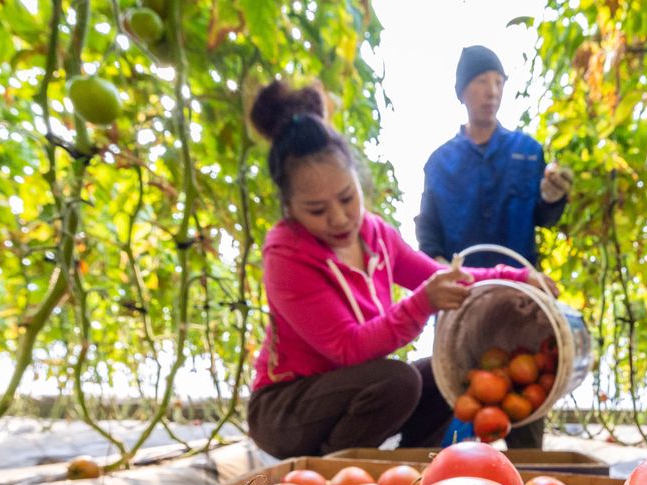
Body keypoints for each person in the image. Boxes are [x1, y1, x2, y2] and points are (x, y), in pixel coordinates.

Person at [244, 80, 551, 459]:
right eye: (316, 210)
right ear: (289, 207)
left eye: (346, 198)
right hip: (286, 408)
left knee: (444, 378)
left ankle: (412, 469)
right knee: (399, 379)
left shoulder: (375, 235)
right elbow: (348, 348)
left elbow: (446, 278)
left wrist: (522, 278)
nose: (339, 218)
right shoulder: (285, 254)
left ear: (358, 182)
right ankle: (331, 473)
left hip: (351, 391)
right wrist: (423, 304)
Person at [416, 45, 573, 449]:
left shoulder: (527, 151)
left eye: (499, 82)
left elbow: (543, 214)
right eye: (482, 82)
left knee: (527, 400)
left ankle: (529, 484)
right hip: (463, 309)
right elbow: (429, 239)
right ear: (462, 93)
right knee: (463, 403)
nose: (492, 91)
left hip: (522, 305)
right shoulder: (439, 162)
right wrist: (443, 277)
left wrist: (554, 196)